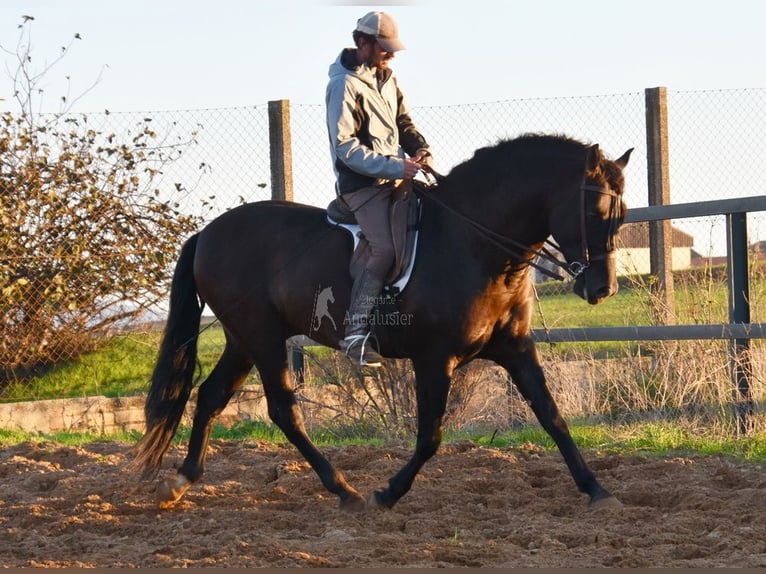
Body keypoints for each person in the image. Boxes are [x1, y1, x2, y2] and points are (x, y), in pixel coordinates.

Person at [326, 10, 433, 368]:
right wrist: (394, 166)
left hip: (396, 177)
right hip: (363, 187)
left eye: (392, 48)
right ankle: (355, 336)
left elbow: (404, 123)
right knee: (384, 250)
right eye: (385, 48)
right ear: (363, 43)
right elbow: (345, 148)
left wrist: (419, 147)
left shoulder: (387, 77)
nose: (391, 54)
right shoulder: (343, 85)